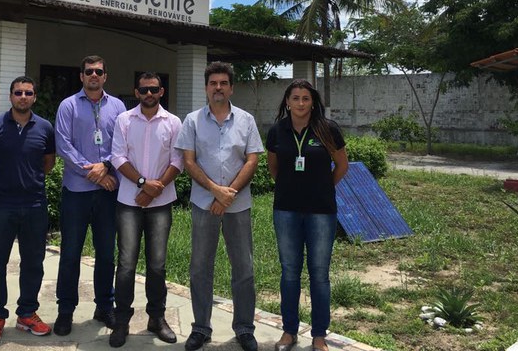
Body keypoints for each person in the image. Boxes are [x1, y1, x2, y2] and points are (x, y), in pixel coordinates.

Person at [175, 61, 264, 351]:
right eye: (213, 83)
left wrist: (229, 194)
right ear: (206, 87)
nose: (218, 88)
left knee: (244, 268)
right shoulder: (192, 121)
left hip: (238, 205)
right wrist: (215, 191)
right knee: (200, 267)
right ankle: (201, 327)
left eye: (223, 83)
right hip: (204, 205)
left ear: (231, 88)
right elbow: (189, 161)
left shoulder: (246, 120)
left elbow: (252, 160)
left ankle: (245, 328)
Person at [265, 80, 349, 351]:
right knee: (289, 272)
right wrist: (292, 189)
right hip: (286, 210)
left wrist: (323, 187)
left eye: (306, 98)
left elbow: (342, 165)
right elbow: (273, 167)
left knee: (319, 274)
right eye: (295, 98)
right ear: (287, 102)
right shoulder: (277, 131)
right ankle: (289, 332)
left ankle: (319, 335)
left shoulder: (327, 129)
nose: (300, 103)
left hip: (321, 212)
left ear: (313, 102)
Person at [0, 76, 56, 344]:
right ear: (11, 96)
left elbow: (48, 162)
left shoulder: (44, 127)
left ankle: (27, 313)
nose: (23, 97)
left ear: (34, 97)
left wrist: (30, 181)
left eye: (28, 93)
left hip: (34, 205)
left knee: (33, 262)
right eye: (18, 92)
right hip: (2, 206)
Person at [108, 72, 183, 347]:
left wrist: (155, 189)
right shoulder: (124, 120)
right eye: (143, 89)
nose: (148, 93)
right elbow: (117, 157)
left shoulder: (173, 122)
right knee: (126, 264)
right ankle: (121, 321)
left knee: (157, 265)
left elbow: (178, 160)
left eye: (153, 89)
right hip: (129, 202)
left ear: (161, 91)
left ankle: (156, 318)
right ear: (136, 92)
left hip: (160, 203)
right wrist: (143, 183)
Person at [53, 55, 127, 336]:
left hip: (108, 193)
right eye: (88, 71)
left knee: (106, 254)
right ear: (81, 76)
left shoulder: (118, 106)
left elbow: (122, 144)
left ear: (105, 76)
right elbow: (63, 145)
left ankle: (104, 306)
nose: (93, 75)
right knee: (70, 253)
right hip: (77, 192)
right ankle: (65, 310)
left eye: (98, 71)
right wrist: (94, 172)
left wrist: (106, 166)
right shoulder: (68, 106)